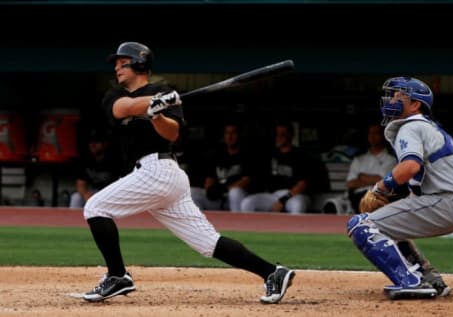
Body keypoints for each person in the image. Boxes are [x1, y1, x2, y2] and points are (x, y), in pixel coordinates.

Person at [81, 41, 295, 303]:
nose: (116, 67)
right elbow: (122, 109)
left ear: (139, 63)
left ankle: (117, 276)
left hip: (160, 170)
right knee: (208, 244)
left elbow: (171, 133)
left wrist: (157, 114)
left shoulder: (163, 91)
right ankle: (273, 272)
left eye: (122, 62)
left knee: (95, 208)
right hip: (154, 177)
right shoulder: (115, 95)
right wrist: (152, 104)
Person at [346, 76, 453, 299]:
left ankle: (411, 282)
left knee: (361, 226)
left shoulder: (412, 125)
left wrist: (380, 188)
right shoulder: (429, 128)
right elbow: (418, 181)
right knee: (386, 224)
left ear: (415, 104)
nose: (391, 100)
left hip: (445, 202)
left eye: (399, 96)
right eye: (392, 95)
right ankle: (430, 280)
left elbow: (410, 166)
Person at [240, 120, 311, 214]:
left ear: (290, 135)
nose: (279, 138)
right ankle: (253, 228)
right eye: (277, 134)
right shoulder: (272, 155)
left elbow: (302, 185)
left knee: (298, 205)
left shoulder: (300, 156)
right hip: (274, 195)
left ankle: (294, 228)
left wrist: (283, 200)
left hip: (293, 195)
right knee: (247, 203)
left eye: (283, 134)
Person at [191, 122, 253, 211]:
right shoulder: (217, 155)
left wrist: (225, 189)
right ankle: (199, 223)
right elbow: (209, 180)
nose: (230, 136)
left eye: (233, 133)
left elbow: (246, 181)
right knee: (193, 192)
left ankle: (237, 223)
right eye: (227, 133)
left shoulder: (246, 155)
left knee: (234, 193)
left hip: (236, 197)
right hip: (218, 197)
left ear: (239, 135)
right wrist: (211, 190)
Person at [346, 123, 397, 213]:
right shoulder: (359, 159)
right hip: (358, 196)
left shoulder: (390, 160)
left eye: (376, 133)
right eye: (370, 133)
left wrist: (361, 177)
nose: (372, 136)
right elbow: (351, 183)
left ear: (383, 135)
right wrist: (373, 179)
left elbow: (383, 181)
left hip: (380, 196)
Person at [69, 129, 121, 208]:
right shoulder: (86, 159)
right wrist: (86, 194)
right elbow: (80, 184)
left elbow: (120, 184)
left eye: (96, 142)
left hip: (109, 193)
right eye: (90, 142)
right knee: (76, 198)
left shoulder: (114, 159)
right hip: (92, 192)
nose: (92, 144)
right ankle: (73, 220)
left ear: (105, 143)